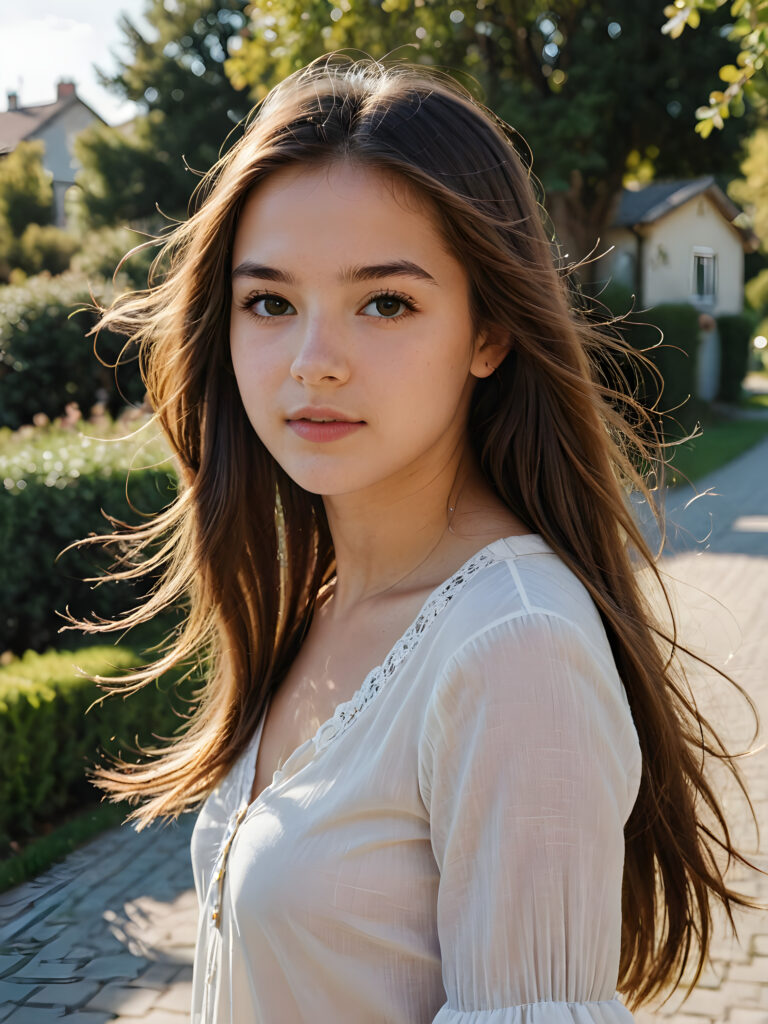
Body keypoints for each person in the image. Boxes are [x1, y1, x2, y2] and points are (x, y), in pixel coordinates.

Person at [66, 53, 764, 1023]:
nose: (315, 363)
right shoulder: (321, 599)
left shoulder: (513, 649)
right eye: (270, 301)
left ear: (489, 332)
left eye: (385, 302)